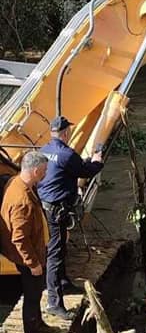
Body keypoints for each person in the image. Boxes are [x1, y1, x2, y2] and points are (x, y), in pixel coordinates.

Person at [38, 116, 104, 320]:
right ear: (66, 133)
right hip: (57, 209)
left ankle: (63, 282)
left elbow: (71, 166)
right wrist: (97, 161)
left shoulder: (44, 150)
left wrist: (84, 162)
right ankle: (53, 303)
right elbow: (86, 170)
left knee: (60, 247)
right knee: (55, 253)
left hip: (45, 207)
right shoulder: (66, 153)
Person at [0, 150, 50, 333]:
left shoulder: (16, 182)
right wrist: (33, 264)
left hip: (29, 252)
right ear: (36, 170)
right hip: (28, 257)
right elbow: (19, 238)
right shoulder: (22, 200)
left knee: (36, 293)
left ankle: (39, 324)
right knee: (31, 295)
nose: (46, 174)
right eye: (44, 170)